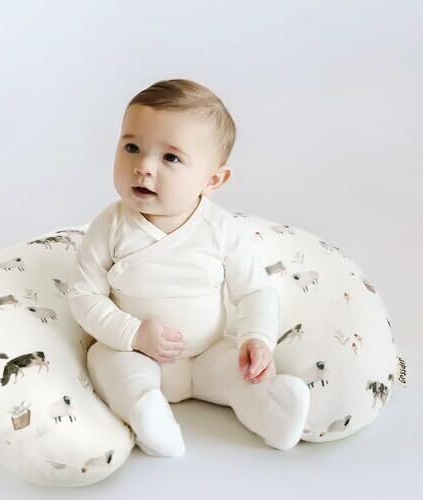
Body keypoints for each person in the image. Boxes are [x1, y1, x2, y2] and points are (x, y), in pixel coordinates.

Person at [68, 79, 310, 457]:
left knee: (239, 371)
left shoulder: (221, 229)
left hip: (205, 354)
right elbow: (84, 294)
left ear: (213, 180)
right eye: (132, 148)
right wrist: (133, 334)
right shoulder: (111, 226)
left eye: (170, 158)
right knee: (105, 362)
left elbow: (253, 290)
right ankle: (146, 412)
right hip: (133, 353)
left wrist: (257, 340)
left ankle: (271, 407)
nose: (143, 167)